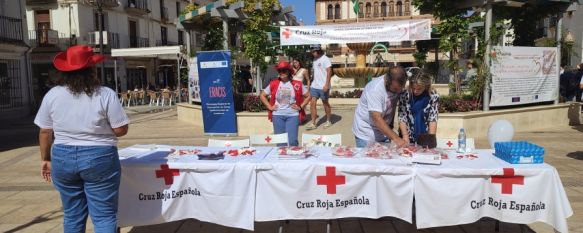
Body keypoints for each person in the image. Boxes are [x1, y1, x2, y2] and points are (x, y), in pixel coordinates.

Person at [34, 45, 130, 233]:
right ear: (92, 70)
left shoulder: (52, 95)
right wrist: (101, 129)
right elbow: (120, 129)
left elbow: (45, 131)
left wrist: (45, 159)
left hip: (62, 156)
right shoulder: (105, 94)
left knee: (72, 215)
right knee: (104, 216)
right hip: (100, 156)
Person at [352, 66, 408, 148]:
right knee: (368, 160)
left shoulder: (395, 85)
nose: (399, 91)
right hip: (366, 134)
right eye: (396, 89)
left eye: (401, 88)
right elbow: (376, 119)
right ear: (387, 81)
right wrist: (396, 139)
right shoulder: (375, 90)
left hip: (384, 132)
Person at [260, 61, 310, 146]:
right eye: (280, 71)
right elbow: (262, 95)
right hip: (278, 116)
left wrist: (300, 107)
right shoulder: (274, 83)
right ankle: (281, 158)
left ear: (289, 71)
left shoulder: (297, 84)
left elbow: (308, 96)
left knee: (292, 141)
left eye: (284, 70)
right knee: (280, 142)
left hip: (292, 116)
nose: (282, 73)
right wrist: (270, 107)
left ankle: (293, 157)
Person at [398, 72, 440, 144]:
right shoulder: (405, 94)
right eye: (413, 88)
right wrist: (405, 136)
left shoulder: (433, 96)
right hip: (406, 135)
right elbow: (402, 117)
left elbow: (432, 119)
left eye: (419, 89)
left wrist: (431, 139)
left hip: (425, 135)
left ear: (426, 86)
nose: (415, 91)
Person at [306, 44, 333, 130]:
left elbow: (329, 72)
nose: (312, 53)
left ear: (318, 50)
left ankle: (328, 120)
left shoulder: (325, 59)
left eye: (314, 51)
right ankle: (313, 123)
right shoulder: (314, 59)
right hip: (315, 85)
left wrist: (327, 84)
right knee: (312, 103)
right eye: (312, 51)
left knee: (325, 104)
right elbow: (315, 72)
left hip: (323, 86)